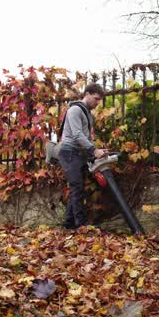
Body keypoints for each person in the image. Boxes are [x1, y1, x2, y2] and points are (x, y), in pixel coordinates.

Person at [58, 83, 108, 229]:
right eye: (96, 99)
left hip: (79, 153)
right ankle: (81, 225)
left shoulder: (87, 114)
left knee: (78, 188)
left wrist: (96, 152)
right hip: (69, 152)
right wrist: (93, 150)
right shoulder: (75, 109)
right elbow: (76, 134)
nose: (97, 103)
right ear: (87, 94)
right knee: (77, 187)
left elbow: (86, 137)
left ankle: (68, 224)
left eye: (99, 100)